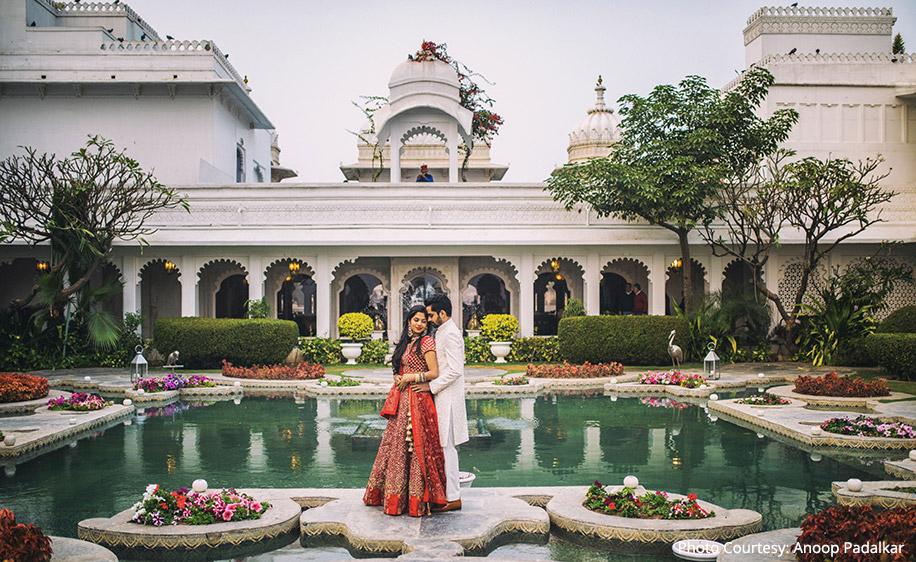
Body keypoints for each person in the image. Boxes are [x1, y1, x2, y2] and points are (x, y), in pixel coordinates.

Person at [363, 305, 448, 516]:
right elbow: (399, 367)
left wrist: (411, 377)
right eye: (416, 320)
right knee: (396, 446)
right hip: (402, 400)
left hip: (418, 400)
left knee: (416, 446)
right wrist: (398, 377)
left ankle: (415, 499)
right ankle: (394, 497)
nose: (419, 324)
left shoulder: (427, 342)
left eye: (423, 321)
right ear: (409, 321)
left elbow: (434, 372)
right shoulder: (406, 342)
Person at [416, 293, 468, 512]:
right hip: (442, 398)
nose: (428, 319)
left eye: (430, 315)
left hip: (448, 400)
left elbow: (456, 370)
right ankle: (445, 494)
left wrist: (431, 386)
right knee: (443, 448)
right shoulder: (442, 332)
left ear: (442, 314)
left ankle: (454, 497)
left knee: (448, 449)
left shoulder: (451, 334)